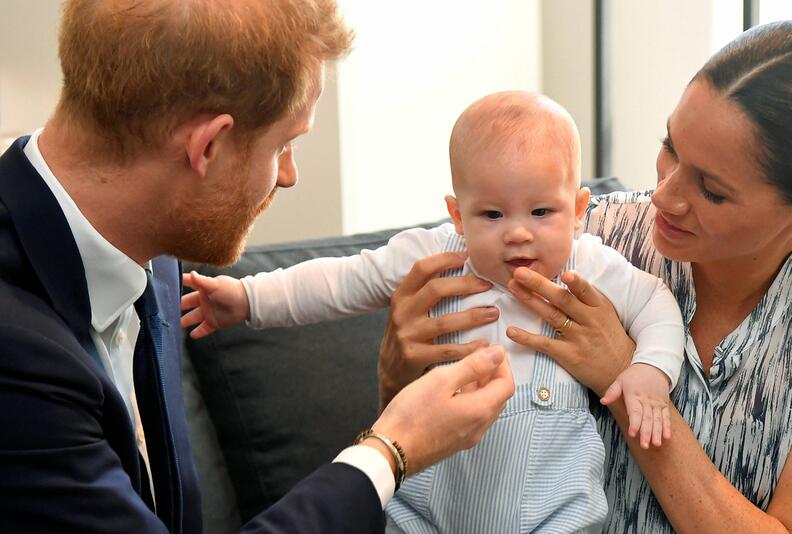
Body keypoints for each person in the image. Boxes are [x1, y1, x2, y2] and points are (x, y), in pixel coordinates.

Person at [376, 20, 792, 533]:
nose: (665, 197)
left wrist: (625, 380)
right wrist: (398, 369)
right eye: (670, 147)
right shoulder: (588, 236)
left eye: (711, 190)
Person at [0, 1, 515, 533]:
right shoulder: (16, 352)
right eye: (285, 144)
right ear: (209, 146)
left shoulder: (153, 244)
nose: (288, 175)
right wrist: (391, 451)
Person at [179, 90, 686, 533]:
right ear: (456, 214)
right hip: (431, 509)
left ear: (578, 211)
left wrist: (648, 371)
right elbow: (341, 280)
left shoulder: (590, 264)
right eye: (491, 213)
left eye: (541, 212)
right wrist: (248, 300)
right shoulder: (434, 256)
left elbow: (657, 306)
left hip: (553, 513)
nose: (517, 232)